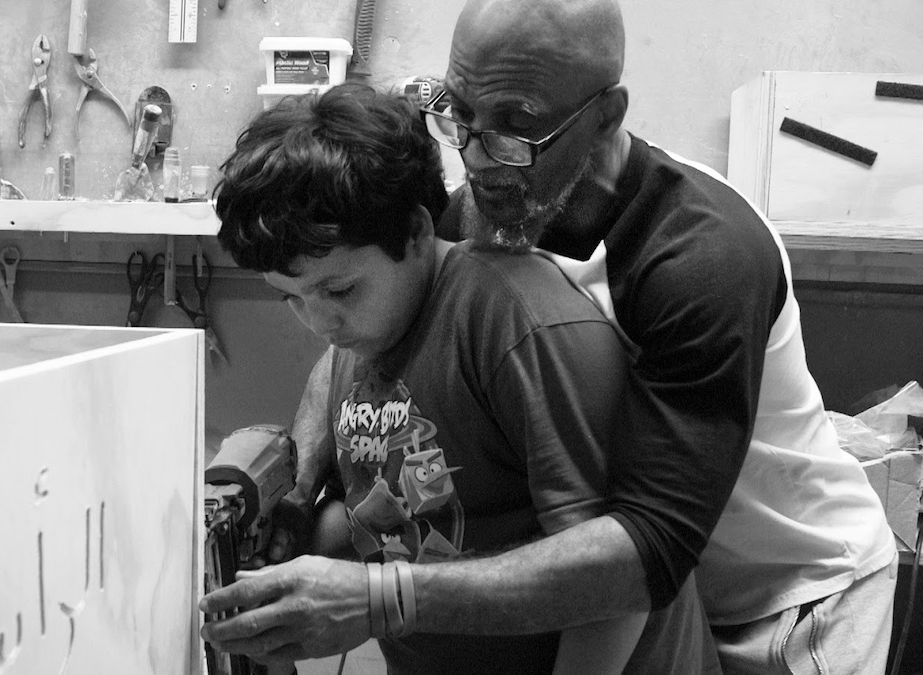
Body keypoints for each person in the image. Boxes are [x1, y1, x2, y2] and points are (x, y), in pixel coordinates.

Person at [237, 0, 899, 672]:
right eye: (459, 113)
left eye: (516, 127)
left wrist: (381, 596)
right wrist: (299, 477)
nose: (475, 154)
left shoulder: (701, 259)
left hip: (784, 597)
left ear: (606, 116)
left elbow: (648, 548)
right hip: (646, 599)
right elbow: (359, 329)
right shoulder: (486, 207)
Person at [200, 83, 719, 673]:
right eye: (291, 299)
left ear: (419, 231)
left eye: (338, 289)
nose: (320, 322)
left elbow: (610, 590)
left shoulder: (519, 327)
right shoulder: (368, 331)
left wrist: (374, 599)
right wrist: (290, 531)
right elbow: (408, 520)